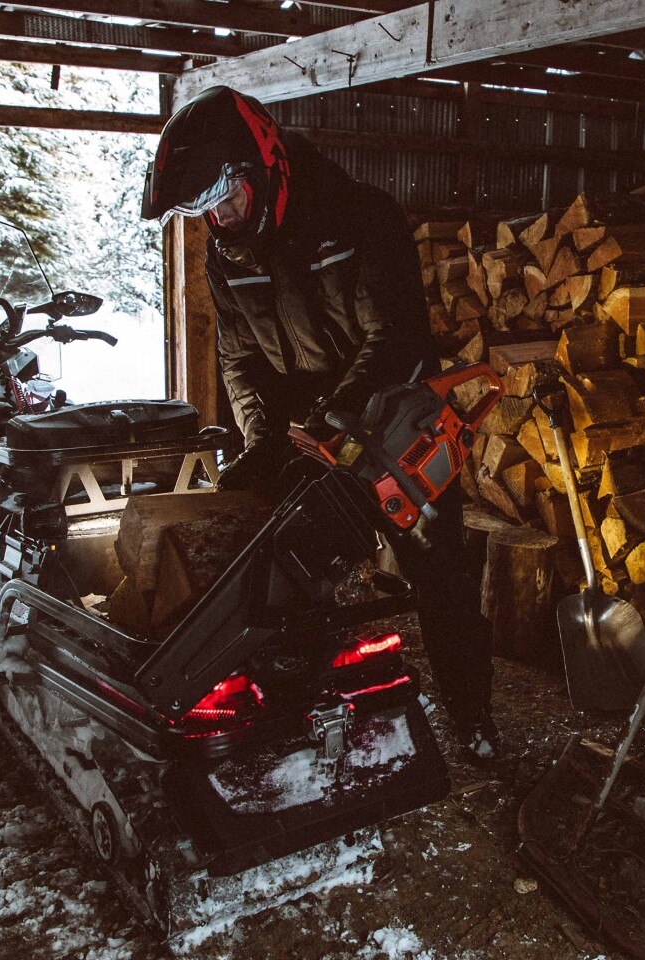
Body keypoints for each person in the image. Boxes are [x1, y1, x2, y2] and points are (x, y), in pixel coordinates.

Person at [141, 85, 500, 767]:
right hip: (313, 426)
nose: (220, 217)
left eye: (229, 197)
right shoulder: (228, 255)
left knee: (440, 574)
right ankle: (294, 712)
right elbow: (240, 359)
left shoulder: (362, 218)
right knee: (278, 566)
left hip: (392, 414)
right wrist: (263, 440)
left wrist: (329, 424)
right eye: (204, 209)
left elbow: (393, 337)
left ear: (266, 166)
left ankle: (472, 713)